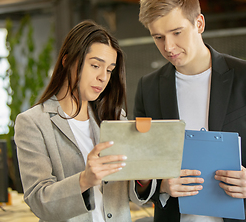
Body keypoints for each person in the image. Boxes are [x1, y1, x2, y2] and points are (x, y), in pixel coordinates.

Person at [134, 0, 246, 222]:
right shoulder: (148, 87)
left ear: (199, 24)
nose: (168, 47)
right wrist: (161, 185)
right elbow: (142, 157)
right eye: (158, 37)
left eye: (177, 32)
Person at [14, 20, 155, 222]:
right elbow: (38, 201)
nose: (103, 78)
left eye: (109, 70)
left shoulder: (115, 117)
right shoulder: (33, 122)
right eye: (95, 65)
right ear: (67, 61)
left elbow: (136, 196)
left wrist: (143, 177)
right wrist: (84, 179)